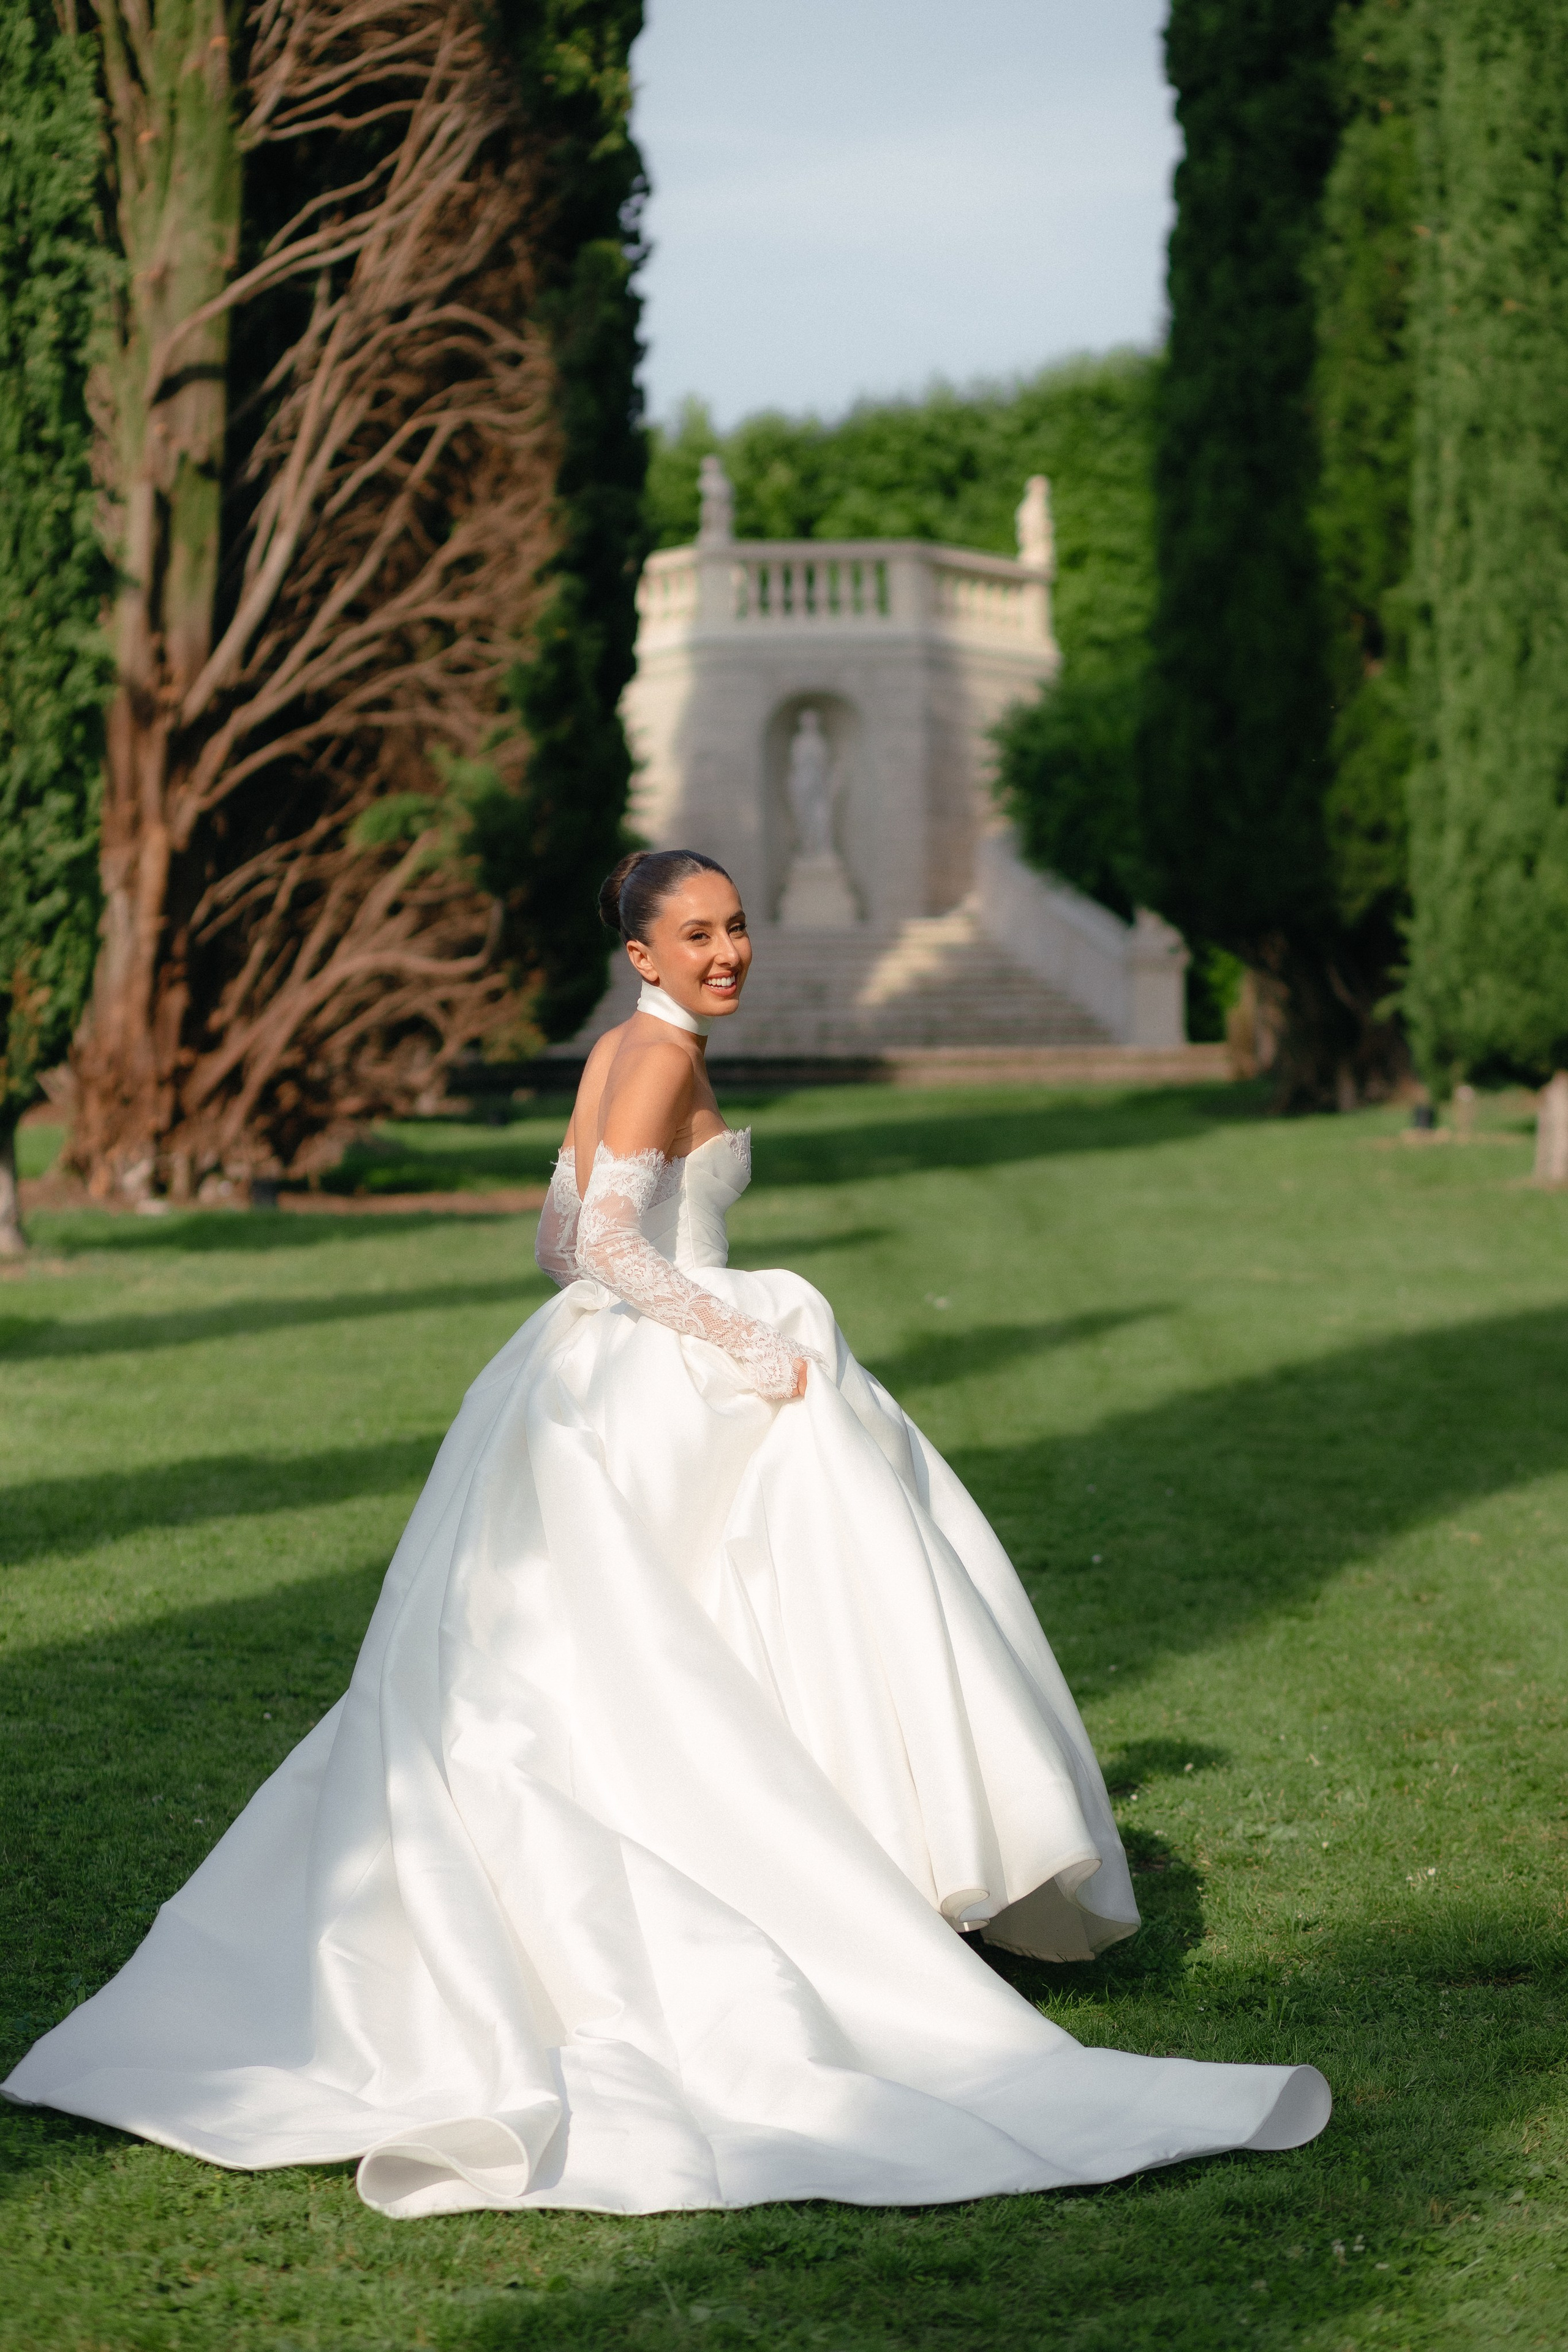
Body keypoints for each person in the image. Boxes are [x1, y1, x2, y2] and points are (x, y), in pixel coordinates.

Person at [3, 850, 1330, 2217]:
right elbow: (618, 1249)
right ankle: (802, 1898)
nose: (727, 952)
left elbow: (554, 1243)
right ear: (641, 954)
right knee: (728, 1630)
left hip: (587, 1378)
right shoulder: (655, 1058)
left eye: (738, 927)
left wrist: (683, 1310)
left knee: (646, 1657)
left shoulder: (613, 1052)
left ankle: (795, 1877)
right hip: (675, 1372)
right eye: (695, 935)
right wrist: (743, 1337)